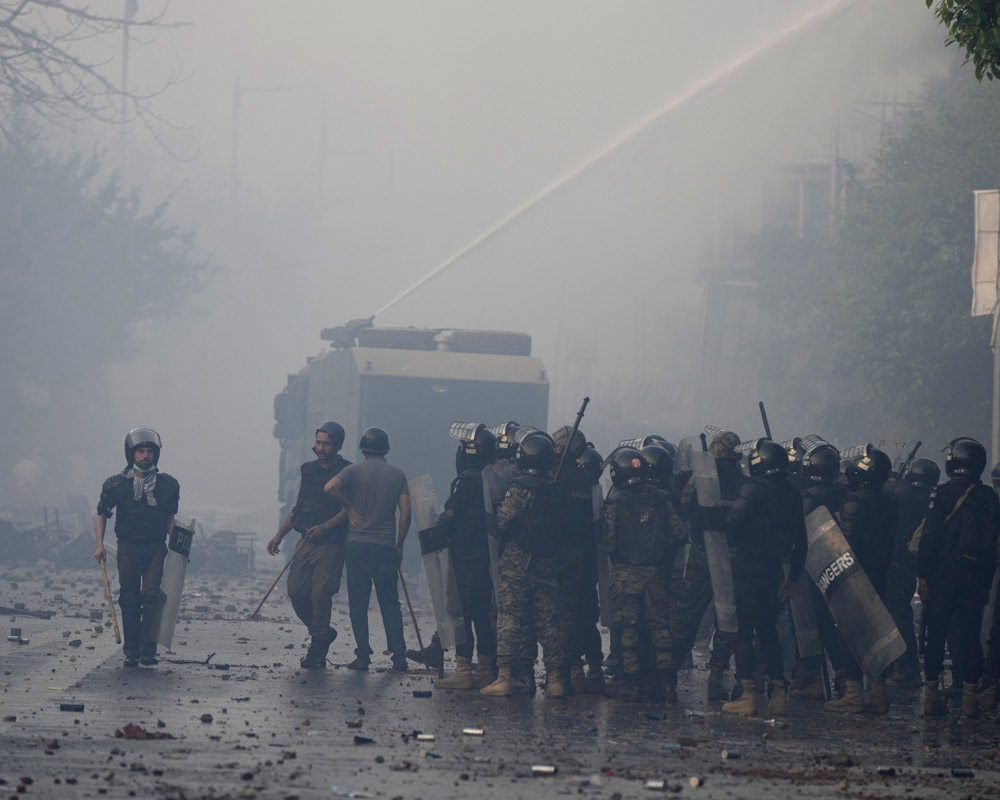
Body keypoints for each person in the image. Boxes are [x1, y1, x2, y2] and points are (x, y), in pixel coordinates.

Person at [722, 440, 806, 717]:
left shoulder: (753, 489)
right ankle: (779, 694)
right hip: (774, 572)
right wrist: (792, 576)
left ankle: (748, 695)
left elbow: (732, 523)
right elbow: (801, 541)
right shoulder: (793, 494)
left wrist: (720, 513)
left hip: (746, 570)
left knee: (743, 631)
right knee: (769, 632)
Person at [482, 432, 570, 698]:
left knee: (509, 618)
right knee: (549, 621)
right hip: (548, 561)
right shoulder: (557, 487)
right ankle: (555, 680)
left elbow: (502, 521)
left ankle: (505, 677)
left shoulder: (521, 486)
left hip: (517, 561)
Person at [918, 437, 1000, 718]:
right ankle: (969, 699)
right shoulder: (990, 497)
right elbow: (991, 546)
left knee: (936, 635)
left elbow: (929, 538)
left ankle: (930, 698)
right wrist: (987, 583)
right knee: (969, 638)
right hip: (976, 578)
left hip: (943, 575)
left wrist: (923, 575)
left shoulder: (942, 494)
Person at [324, 427, 411, 672]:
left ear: (363, 449)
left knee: (359, 603)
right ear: (386, 449)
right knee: (390, 603)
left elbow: (330, 487)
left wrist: (350, 509)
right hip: (385, 546)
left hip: (357, 546)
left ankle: (363, 656)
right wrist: (399, 545)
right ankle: (399, 658)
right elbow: (405, 512)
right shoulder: (398, 475)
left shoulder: (353, 471)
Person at [266, 422, 351, 669]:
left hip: (331, 543)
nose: (320, 448)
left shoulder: (346, 472)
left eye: (326, 443)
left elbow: (350, 510)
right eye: (318, 442)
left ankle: (317, 649)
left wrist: (326, 526)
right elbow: (298, 507)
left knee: (321, 594)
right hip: (305, 540)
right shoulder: (307, 470)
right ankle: (323, 632)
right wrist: (279, 535)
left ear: (337, 445)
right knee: (296, 591)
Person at [94, 428, 180, 668]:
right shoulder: (116, 484)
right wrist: (99, 544)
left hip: (155, 547)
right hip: (128, 547)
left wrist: (177, 547)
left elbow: (170, 519)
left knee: (152, 597)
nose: (145, 456)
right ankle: (131, 649)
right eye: (140, 451)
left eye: (149, 451)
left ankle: (148, 648)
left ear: (156, 454)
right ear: (131, 454)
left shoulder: (167, 485)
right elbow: (103, 514)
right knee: (130, 598)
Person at [668, 431, 743, 703]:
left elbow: (684, 510)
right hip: (732, 555)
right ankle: (715, 677)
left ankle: (668, 677)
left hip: (701, 553)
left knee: (687, 614)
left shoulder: (699, 477)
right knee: (727, 619)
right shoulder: (743, 480)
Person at [434, 426, 498, 690]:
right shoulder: (492, 479)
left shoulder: (467, 481)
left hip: (465, 561)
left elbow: (450, 515)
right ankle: (484, 668)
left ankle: (462, 670)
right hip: (486, 560)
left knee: (461, 614)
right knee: (484, 615)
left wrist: (436, 530)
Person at [881, 457, 939, 686]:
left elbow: (890, 489)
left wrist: (889, 478)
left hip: (898, 563)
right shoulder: (924, 499)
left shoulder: (906, 495)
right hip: (909, 563)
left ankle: (905, 665)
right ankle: (905, 664)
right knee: (899, 611)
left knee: (896, 612)